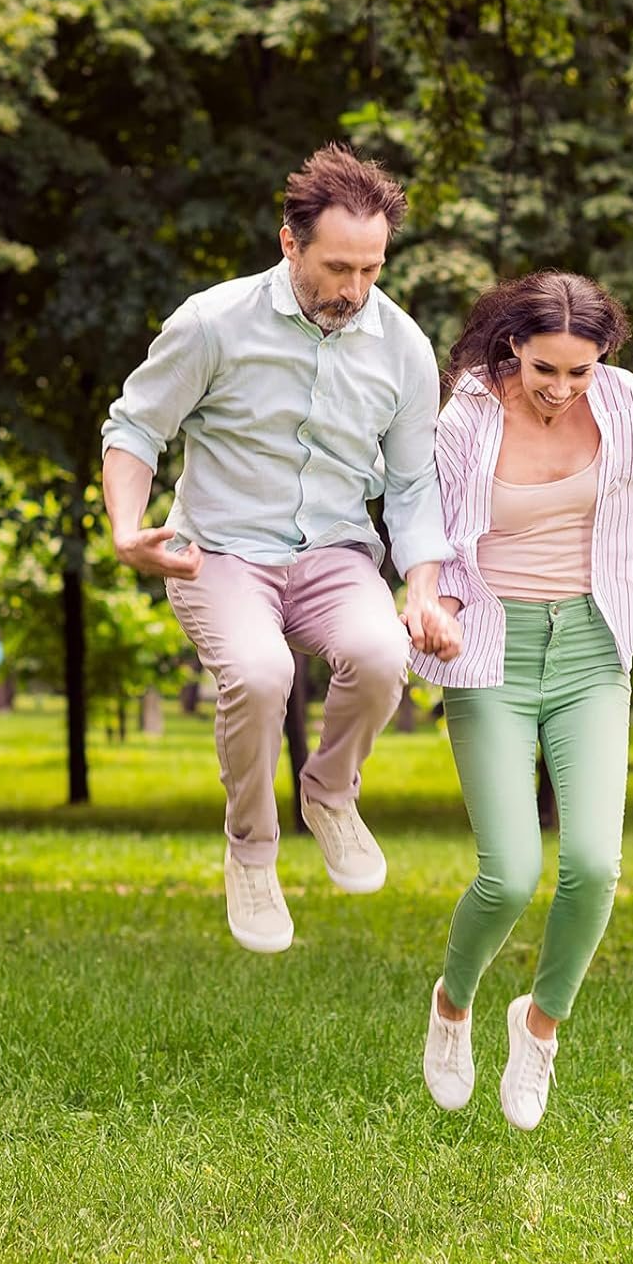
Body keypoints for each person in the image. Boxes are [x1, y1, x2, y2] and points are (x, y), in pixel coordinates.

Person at [102, 144, 461, 955]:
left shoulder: (402, 346)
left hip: (335, 553)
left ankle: (329, 792)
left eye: (371, 268)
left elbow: (412, 485)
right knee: (263, 675)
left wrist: (422, 590)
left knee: (382, 656)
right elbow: (136, 427)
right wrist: (126, 531)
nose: (355, 289)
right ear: (289, 243)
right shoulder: (212, 323)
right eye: (338, 267)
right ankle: (252, 850)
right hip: (221, 552)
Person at [413, 270, 633, 1130]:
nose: (561, 389)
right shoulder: (467, 414)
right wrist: (433, 607)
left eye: (579, 371)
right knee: (510, 874)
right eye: (544, 370)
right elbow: (432, 536)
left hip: (592, 652)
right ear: (512, 347)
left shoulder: (625, 402)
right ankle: (453, 1003)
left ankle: (540, 1026)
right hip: (492, 649)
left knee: (595, 864)